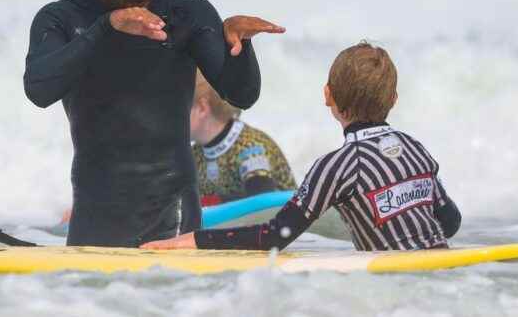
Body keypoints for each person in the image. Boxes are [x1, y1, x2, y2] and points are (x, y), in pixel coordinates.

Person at [23, 0, 284, 247]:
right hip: (95, 207)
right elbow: (39, 89)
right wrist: (106, 27)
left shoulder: (185, 14)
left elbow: (241, 94)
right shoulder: (61, 19)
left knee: (171, 299)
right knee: (88, 300)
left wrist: (242, 48)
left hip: (173, 209)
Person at [142, 42, 461, 251]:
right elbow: (450, 223)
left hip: (396, 290)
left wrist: (193, 241)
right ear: (393, 100)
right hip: (437, 282)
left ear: (328, 96)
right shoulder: (416, 148)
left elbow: (274, 236)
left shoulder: (337, 166)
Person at [191, 70, 296, 206]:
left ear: (202, 108)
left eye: (176, 109)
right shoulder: (194, 154)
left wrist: (210, 202)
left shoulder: (251, 147)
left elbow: (261, 200)